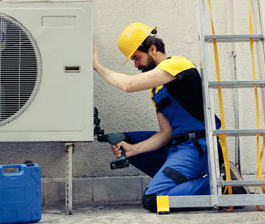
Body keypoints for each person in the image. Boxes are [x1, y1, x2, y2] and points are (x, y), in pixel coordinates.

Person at [93, 22, 222, 212]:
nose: (135, 64)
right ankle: (183, 183)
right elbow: (165, 134)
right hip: (178, 146)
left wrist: (97, 66)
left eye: (137, 58)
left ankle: (222, 185)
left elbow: (128, 85)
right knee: (124, 141)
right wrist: (132, 150)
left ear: (152, 49)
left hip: (199, 147)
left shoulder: (178, 64)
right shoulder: (156, 89)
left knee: (154, 200)